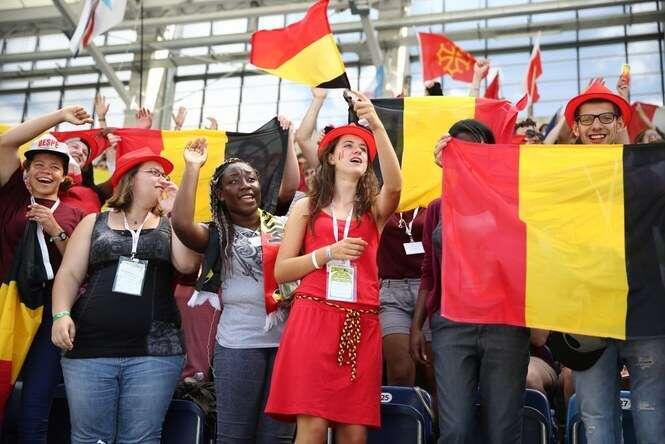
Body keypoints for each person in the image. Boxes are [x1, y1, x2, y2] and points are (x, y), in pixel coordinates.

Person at [265, 91, 401, 443]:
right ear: (330, 157)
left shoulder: (374, 209)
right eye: (348, 146)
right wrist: (327, 253)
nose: (357, 151)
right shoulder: (306, 207)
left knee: (354, 433)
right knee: (311, 427)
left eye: (363, 149)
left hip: (360, 322)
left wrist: (376, 124)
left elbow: (395, 185)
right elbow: (282, 271)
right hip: (312, 319)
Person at [51, 147, 199, 444]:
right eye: (154, 172)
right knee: (90, 438)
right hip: (90, 348)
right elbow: (69, 274)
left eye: (165, 175)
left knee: (141, 439)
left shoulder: (169, 225)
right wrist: (61, 314)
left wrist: (174, 214)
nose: (162, 180)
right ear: (130, 179)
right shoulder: (94, 222)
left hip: (156, 353)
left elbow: (187, 265)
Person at [411, 119, 531, 444]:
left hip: (504, 325)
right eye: (459, 150)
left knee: (502, 433)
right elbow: (428, 269)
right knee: (455, 431)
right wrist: (417, 326)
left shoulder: (513, 202)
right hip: (451, 326)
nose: (466, 157)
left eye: (474, 150)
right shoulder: (438, 209)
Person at [171, 136, 298, 443]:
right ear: (220, 193)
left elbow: (291, 188)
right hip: (239, 343)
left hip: (288, 344)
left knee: (278, 437)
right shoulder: (217, 233)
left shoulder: (285, 227)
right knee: (234, 435)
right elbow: (182, 224)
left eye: (251, 179)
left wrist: (291, 138)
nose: (245, 185)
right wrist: (192, 168)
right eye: (234, 181)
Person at [560, 80, 665, 444]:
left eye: (606, 117)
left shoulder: (650, 172)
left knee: (652, 416)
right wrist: (459, 161)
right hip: (586, 314)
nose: (597, 126)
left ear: (621, 123)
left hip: (645, 310)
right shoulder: (559, 178)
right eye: (587, 119)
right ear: (575, 128)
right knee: (596, 419)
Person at [0, 107, 91, 443]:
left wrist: (56, 230)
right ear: (25, 172)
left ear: (64, 176)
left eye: (54, 166)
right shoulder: (12, 197)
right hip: (7, 309)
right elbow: (5, 144)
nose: (46, 171)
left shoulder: (77, 214)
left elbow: (81, 268)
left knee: (35, 408)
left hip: (51, 315)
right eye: (38, 164)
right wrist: (61, 116)